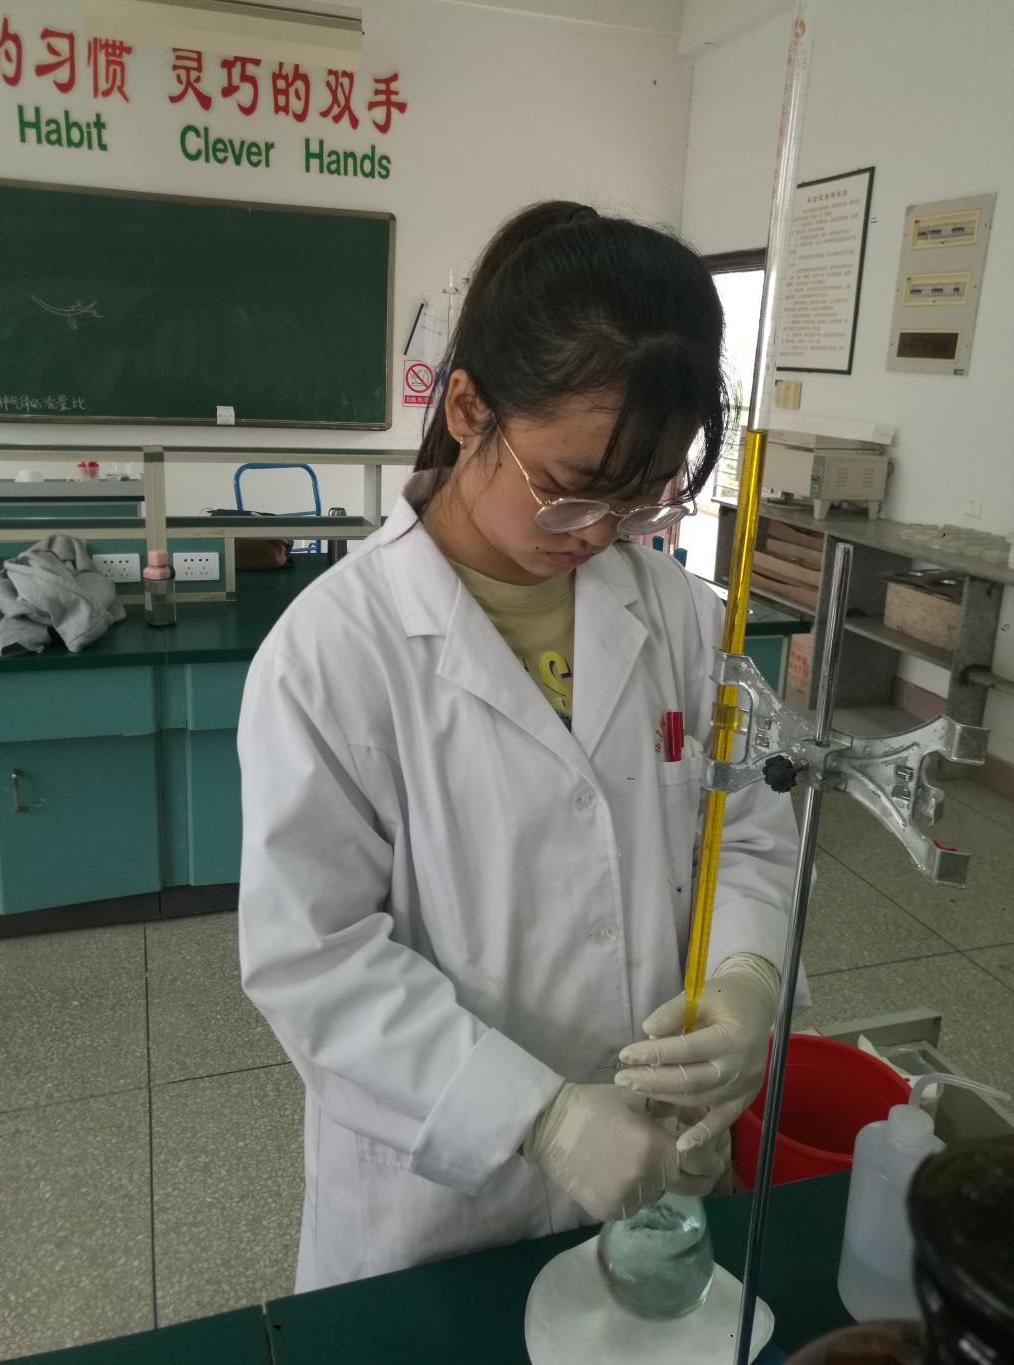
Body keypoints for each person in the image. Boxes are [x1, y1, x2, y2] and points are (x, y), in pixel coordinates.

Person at [237, 200, 804, 1293]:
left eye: (639, 499)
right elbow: (314, 958)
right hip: (443, 1208)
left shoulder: (685, 623)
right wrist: (537, 1116)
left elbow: (747, 835)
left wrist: (744, 979)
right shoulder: (334, 653)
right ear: (467, 408)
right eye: (570, 487)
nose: (596, 532)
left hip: (661, 1173)